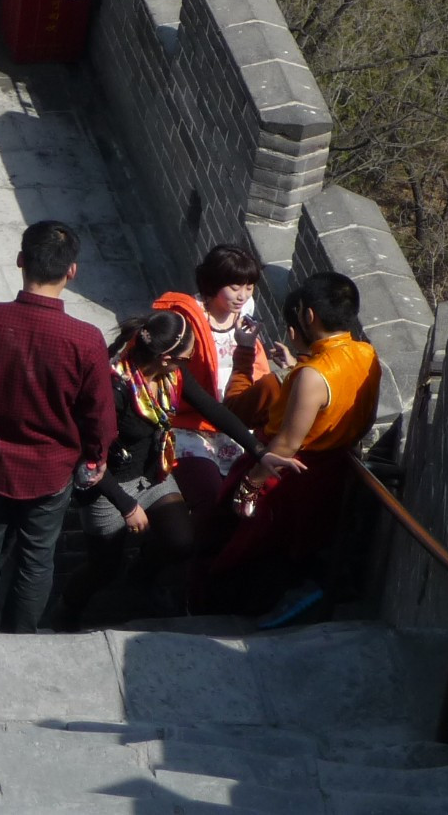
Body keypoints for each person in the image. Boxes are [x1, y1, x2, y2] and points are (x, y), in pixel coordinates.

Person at [0, 221, 115, 634]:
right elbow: (99, 413)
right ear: (72, 272)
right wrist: (97, 455)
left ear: (20, 261)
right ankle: (21, 635)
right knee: (36, 558)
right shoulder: (85, 340)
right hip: (50, 472)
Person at [56, 309, 281, 627]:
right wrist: (127, 506)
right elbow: (89, 459)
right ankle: (68, 608)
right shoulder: (112, 389)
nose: (188, 363)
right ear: (165, 357)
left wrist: (259, 450)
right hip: (107, 484)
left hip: (153, 473)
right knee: (103, 568)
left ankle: (140, 579)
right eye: (186, 357)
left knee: (181, 541)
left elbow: (211, 408)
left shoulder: (172, 375)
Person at [201, 273, 381, 623]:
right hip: (334, 467)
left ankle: (221, 609)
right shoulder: (365, 354)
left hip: (289, 477)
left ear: (309, 316)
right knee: (297, 547)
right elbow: (365, 417)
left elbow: (285, 444)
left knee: (248, 546)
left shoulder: (314, 375)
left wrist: (250, 485)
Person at [163, 243, 268, 521]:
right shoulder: (187, 318)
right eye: (235, 287)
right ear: (213, 283)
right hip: (191, 426)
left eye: (249, 287)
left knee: (237, 504)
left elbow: (257, 367)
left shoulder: (247, 317)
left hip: (234, 424)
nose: (242, 296)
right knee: (208, 498)